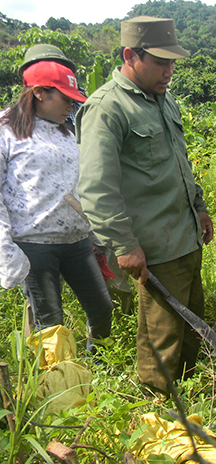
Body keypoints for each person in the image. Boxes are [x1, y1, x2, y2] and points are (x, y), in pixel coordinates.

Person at [76, 16, 214, 395]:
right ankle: (158, 415)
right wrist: (123, 244)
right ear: (129, 56)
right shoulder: (107, 108)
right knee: (161, 338)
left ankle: (185, 402)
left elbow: (179, 162)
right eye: (160, 62)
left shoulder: (163, 100)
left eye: (173, 63)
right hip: (152, 247)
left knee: (189, 329)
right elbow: (96, 187)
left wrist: (199, 206)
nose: (169, 71)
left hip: (184, 236)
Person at [0, 60, 113, 351]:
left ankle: (95, 371)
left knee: (102, 310)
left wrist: (97, 231)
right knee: (50, 325)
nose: (71, 107)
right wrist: (6, 249)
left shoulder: (67, 131)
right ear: (39, 92)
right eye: (65, 98)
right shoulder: (6, 131)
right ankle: (58, 388)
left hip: (76, 240)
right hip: (34, 244)